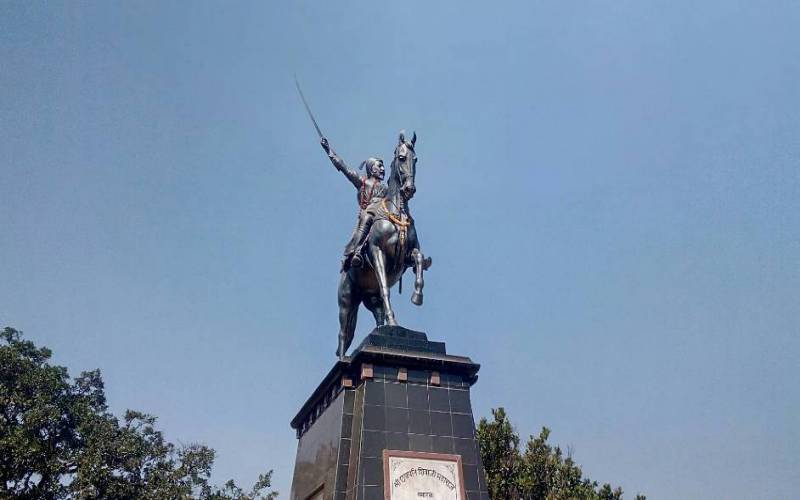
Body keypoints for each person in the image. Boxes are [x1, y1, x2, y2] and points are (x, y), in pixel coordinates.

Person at [321, 137, 387, 271]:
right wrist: (329, 150)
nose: (383, 169)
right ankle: (356, 251)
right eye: (379, 166)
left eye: (383, 166)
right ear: (371, 169)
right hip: (369, 212)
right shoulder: (362, 182)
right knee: (367, 219)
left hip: (384, 214)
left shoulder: (386, 189)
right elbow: (344, 167)